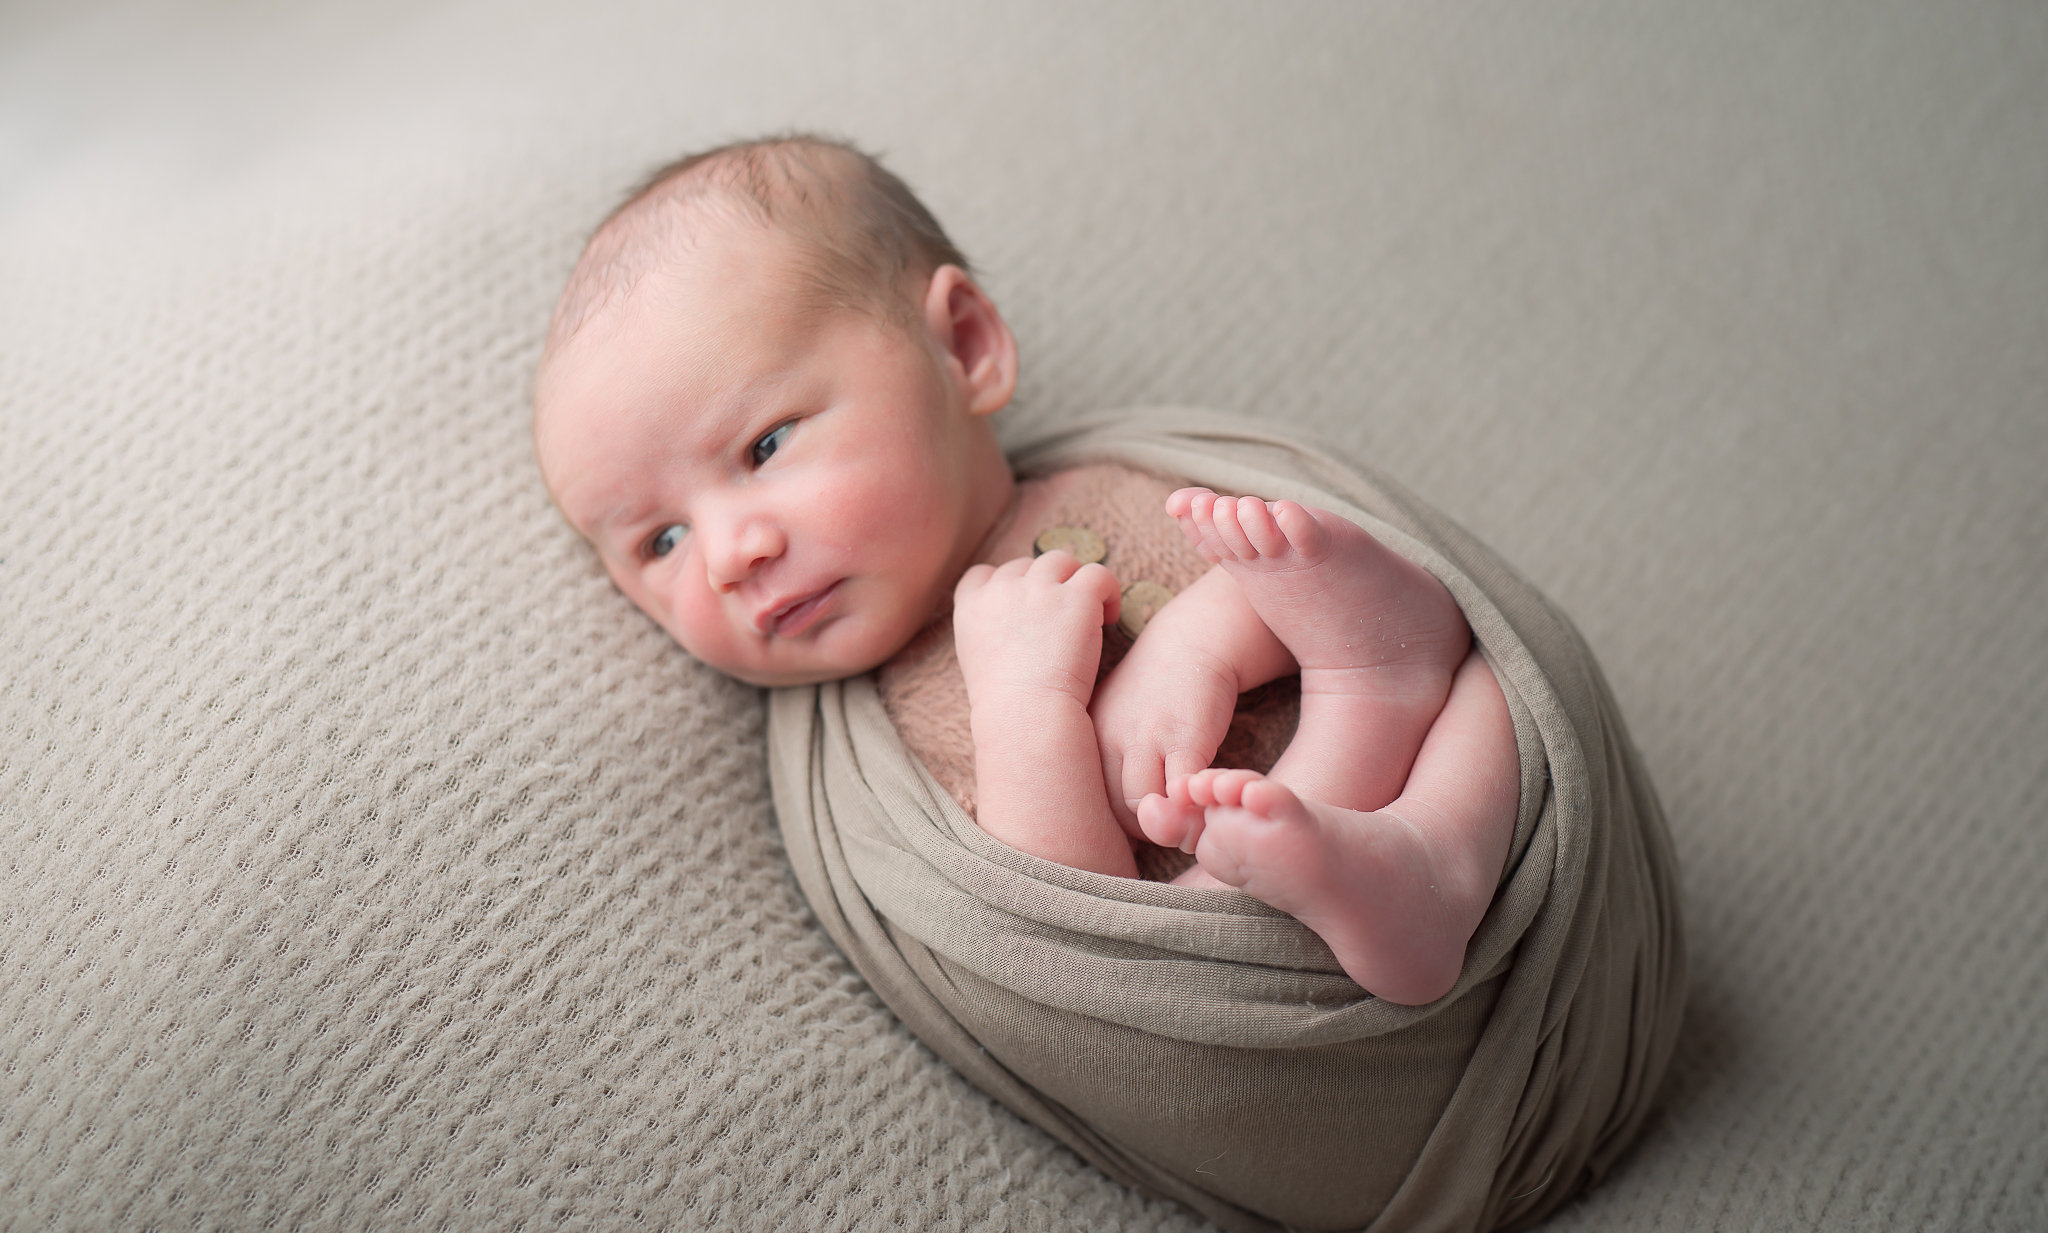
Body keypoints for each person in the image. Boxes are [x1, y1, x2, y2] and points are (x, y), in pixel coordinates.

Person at [532, 135, 1519, 1006]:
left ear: (962, 347)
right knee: (1207, 908)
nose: (725, 555)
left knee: (1476, 665)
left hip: (1447, 788)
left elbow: (1302, 562)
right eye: (657, 542)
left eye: (763, 445)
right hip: (1262, 934)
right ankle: (1392, 829)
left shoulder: (1115, 473)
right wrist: (1024, 705)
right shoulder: (888, 747)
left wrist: (1200, 641)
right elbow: (1070, 937)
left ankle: (1406, 772)